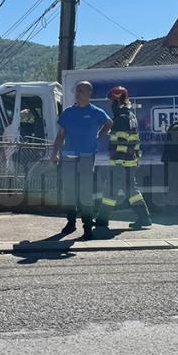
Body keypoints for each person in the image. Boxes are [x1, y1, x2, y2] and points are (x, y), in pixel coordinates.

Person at [50, 80, 112, 240]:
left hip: (87, 156)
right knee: (69, 191)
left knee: (85, 192)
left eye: (81, 91)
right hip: (68, 156)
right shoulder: (68, 112)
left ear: (89, 94)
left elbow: (109, 123)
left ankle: (87, 227)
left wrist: (100, 134)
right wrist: (54, 152)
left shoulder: (95, 111)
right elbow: (61, 134)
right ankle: (70, 223)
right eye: (76, 91)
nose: (77, 94)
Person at [96, 85, 152, 230]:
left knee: (110, 190)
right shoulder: (130, 115)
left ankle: (102, 220)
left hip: (120, 162)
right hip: (130, 161)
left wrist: (116, 159)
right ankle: (144, 218)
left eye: (112, 101)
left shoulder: (120, 117)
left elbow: (121, 141)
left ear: (117, 101)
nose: (111, 105)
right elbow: (131, 140)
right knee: (131, 191)